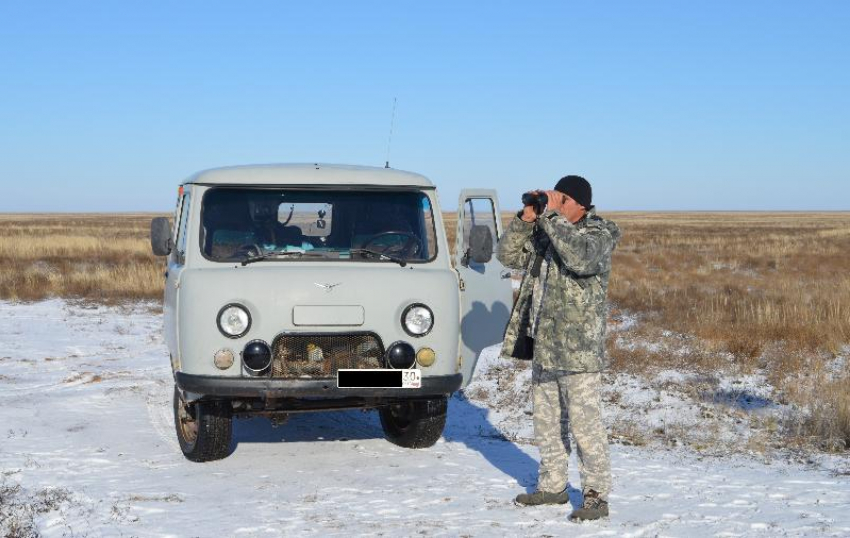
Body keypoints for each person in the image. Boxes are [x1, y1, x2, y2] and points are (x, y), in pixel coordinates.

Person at [496, 175, 621, 521]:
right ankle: (553, 486)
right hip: (546, 347)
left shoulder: (598, 234)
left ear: (579, 203)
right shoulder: (548, 233)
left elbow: (580, 260)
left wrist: (549, 219)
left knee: (585, 427)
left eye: (560, 199)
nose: (554, 204)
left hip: (579, 352)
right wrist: (525, 221)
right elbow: (506, 255)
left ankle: (596, 496)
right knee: (547, 424)